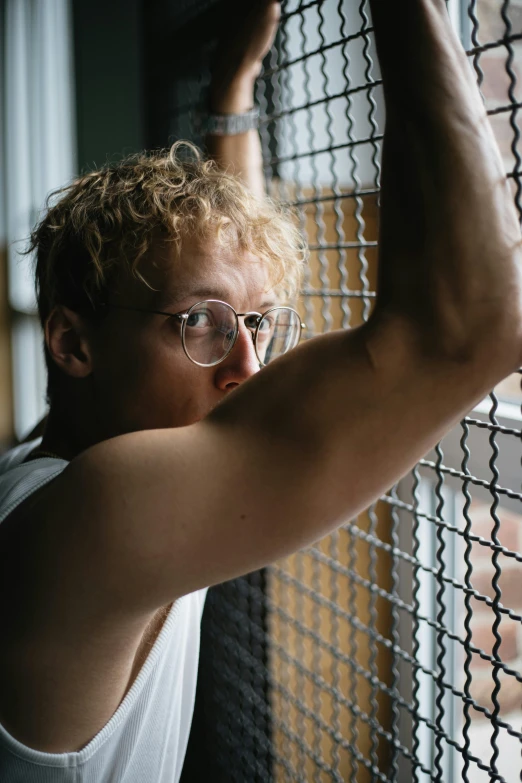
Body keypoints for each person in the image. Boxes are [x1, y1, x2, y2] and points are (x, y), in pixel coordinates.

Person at [1, 1, 521, 781]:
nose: (249, 364)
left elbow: (231, 315)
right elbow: (476, 325)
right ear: (75, 342)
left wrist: (231, 93)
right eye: (201, 324)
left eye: (261, 326)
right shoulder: (97, 517)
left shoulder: (39, 469)